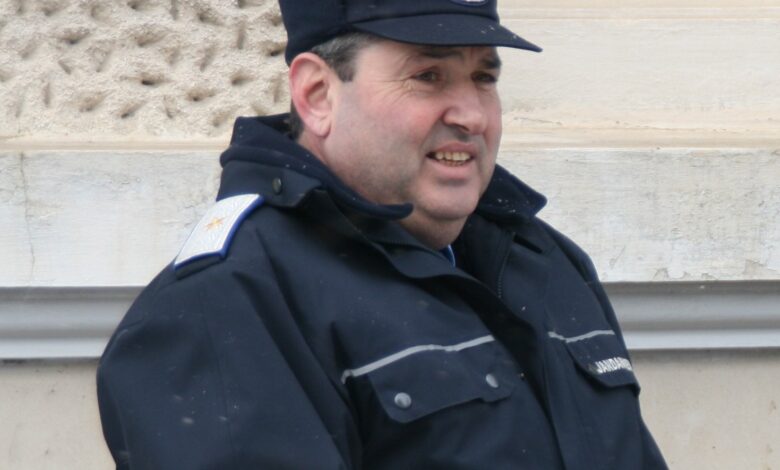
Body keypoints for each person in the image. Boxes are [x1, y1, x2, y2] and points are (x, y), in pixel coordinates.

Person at [97, 0, 668, 468]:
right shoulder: (225, 302)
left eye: (484, 77)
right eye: (428, 76)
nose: (472, 115)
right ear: (317, 95)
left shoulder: (540, 261)